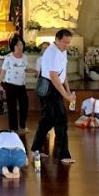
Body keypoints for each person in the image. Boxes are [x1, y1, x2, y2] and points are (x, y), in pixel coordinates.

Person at [32, 29, 76, 165]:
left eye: (68, 42)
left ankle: (36, 148)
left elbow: (63, 74)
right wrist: (66, 95)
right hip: (51, 88)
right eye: (64, 42)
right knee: (61, 121)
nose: (66, 45)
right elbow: (53, 76)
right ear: (57, 39)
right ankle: (63, 154)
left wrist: (68, 91)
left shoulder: (62, 52)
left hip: (57, 87)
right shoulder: (53, 52)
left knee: (48, 120)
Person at [0, 37, 30, 133]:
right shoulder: (9, 57)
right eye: (17, 45)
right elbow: (3, 71)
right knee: (12, 107)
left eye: (21, 45)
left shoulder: (25, 57)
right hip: (10, 85)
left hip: (21, 85)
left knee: (24, 105)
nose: (20, 47)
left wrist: (33, 71)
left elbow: (25, 69)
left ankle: (22, 126)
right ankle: (13, 128)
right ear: (13, 46)